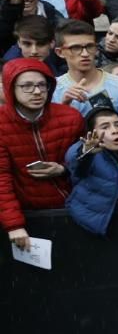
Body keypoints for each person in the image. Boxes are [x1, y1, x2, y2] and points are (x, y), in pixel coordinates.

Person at [1, 58, 83, 252]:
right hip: (28, 213)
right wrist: (14, 224)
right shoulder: (2, 124)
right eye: (27, 86)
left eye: (41, 85)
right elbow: (1, 179)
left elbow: (85, 161)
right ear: (11, 88)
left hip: (72, 208)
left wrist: (64, 169)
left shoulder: (70, 117)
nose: (37, 92)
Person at [66, 106, 118, 235]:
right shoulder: (84, 152)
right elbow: (76, 167)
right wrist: (86, 153)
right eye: (105, 127)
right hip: (93, 222)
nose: (115, 131)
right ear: (92, 132)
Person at [52, 20, 118, 117]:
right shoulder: (53, 89)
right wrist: (64, 106)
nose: (85, 54)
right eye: (75, 48)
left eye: (90, 46)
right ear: (60, 52)